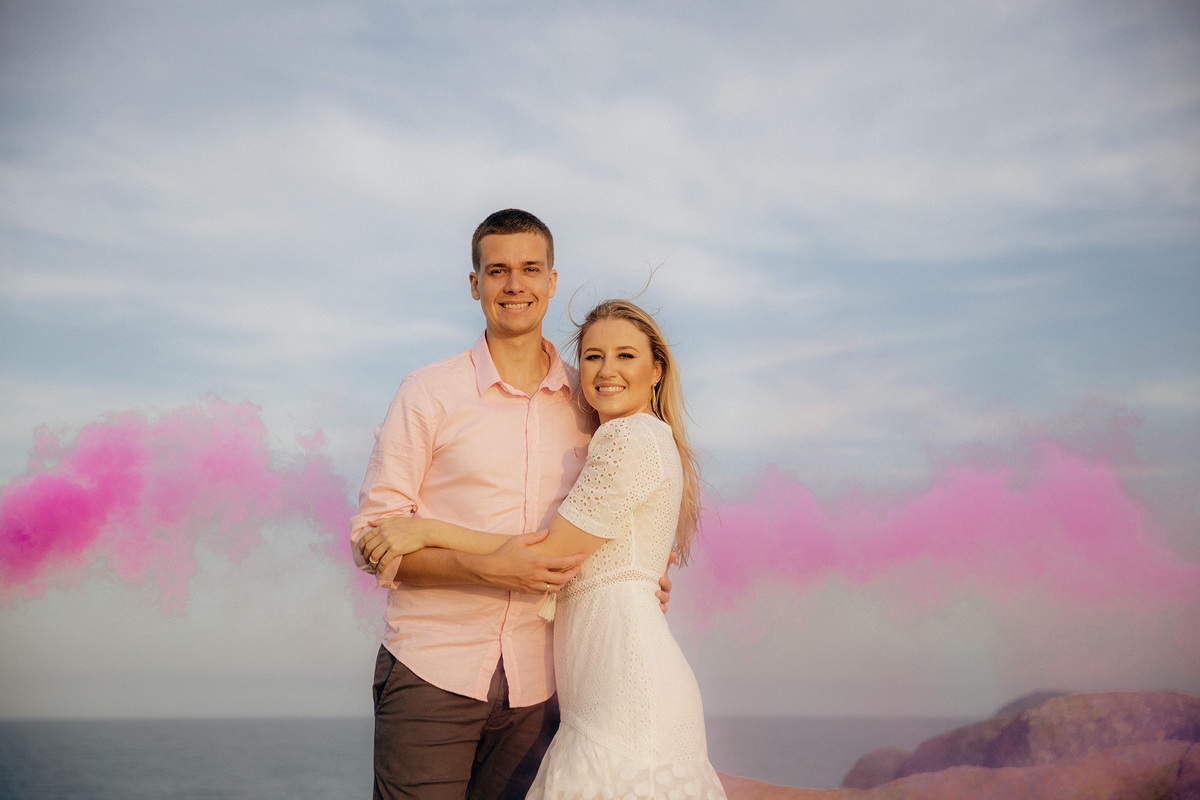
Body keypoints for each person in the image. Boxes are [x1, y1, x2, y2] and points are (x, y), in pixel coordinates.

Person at [350, 209, 672, 800]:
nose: (514, 284)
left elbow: (622, 512)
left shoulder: (592, 400)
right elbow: (373, 540)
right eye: (497, 270)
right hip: (433, 670)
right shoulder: (428, 392)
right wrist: (483, 564)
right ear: (475, 285)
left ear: (551, 280)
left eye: (530, 269)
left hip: (546, 682)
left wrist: (633, 580)